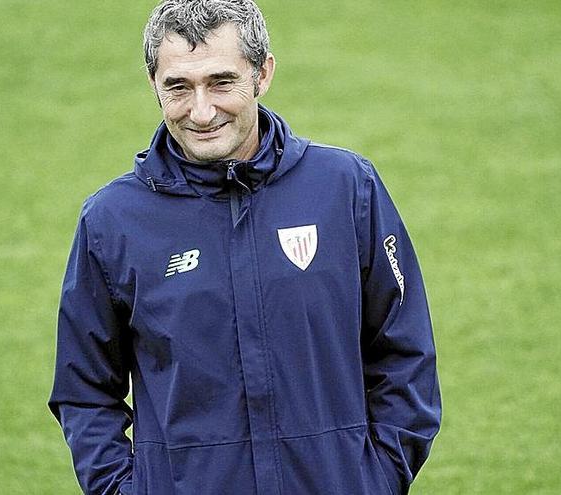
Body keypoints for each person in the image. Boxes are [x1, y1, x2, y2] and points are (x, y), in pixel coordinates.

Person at [48, 1, 441, 494]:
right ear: (153, 86)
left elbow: (404, 352)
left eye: (221, 82)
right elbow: (84, 389)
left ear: (263, 74)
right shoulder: (112, 221)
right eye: (178, 87)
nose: (202, 110)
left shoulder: (346, 189)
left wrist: (377, 478)